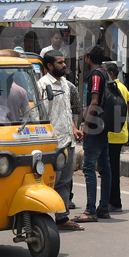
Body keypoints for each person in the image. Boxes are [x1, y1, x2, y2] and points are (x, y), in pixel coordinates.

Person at [37, 50, 83, 231]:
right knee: (50, 181)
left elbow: (67, 111)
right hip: (53, 142)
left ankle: (62, 217)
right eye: (60, 63)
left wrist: (74, 129)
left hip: (68, 140)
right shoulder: (43, 85)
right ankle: (41, 218)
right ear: (49, 66)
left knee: (65, 180)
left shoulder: (65, 84)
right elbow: (41, 115)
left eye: (64, 62)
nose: (64, 65)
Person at [77, 45, 112, 222]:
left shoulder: (96, 75)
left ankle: (90, 210)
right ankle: (103, 207)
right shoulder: (106, 73)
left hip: (95, 126)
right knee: (105, 168)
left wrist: (86, 124)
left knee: (89, 167)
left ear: (89, 58)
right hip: (104, 126)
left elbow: (95, 100)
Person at [105, 61, 129, 213]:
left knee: (111, 170)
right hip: (121, 134)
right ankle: (112, 200)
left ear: (111, 74)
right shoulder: (122, 87)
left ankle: (114, 202)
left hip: (111, 136)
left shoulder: (110, 88)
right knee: (112, 169)